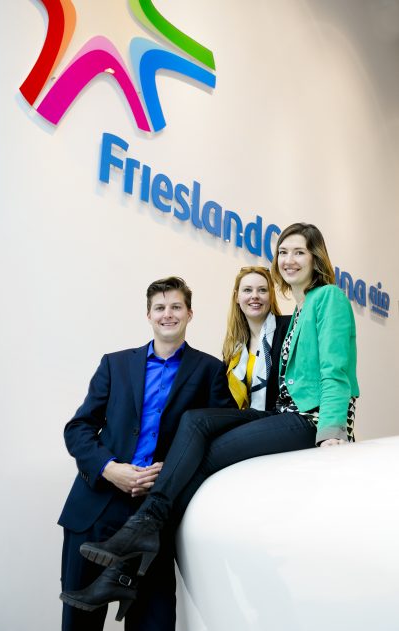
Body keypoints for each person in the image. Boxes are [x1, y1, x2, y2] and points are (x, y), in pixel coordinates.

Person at [67, 223, 359, 610]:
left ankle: (132, 549)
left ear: (316, 258)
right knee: (196, 423)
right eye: (283, 252)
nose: (288, 260)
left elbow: (336, 370)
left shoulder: (328, 298)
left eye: (299, 252)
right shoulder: (299, 309)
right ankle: (133, 552)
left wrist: (332, 433)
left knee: (199, 448)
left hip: (309, 419)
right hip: (283, 415)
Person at [58, 276, 236, 631]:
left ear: (189, 313)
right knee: (80, 622)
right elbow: (78, 428)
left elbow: (222, 437)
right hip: (95, 508)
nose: (168, 314)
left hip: (154, 518)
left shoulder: (210, 371)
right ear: (149, 315)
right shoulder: (115, 364)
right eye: (160, 308)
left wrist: (172, 469)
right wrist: (110, 468)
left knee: (153, 622)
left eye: (176, 307)